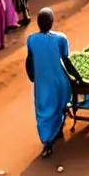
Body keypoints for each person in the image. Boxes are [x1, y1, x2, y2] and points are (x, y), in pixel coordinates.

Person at [25, 8, 81, 158]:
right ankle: (57, 130)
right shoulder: (60, 38)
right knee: (59, 105)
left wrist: (32, 77)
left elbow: (29, 60)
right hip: (59, 82)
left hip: (42, 83)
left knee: (43, 111)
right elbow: (66, 61)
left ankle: (47, 140)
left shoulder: (31, 39)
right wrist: (78, 77)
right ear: (51, 23)